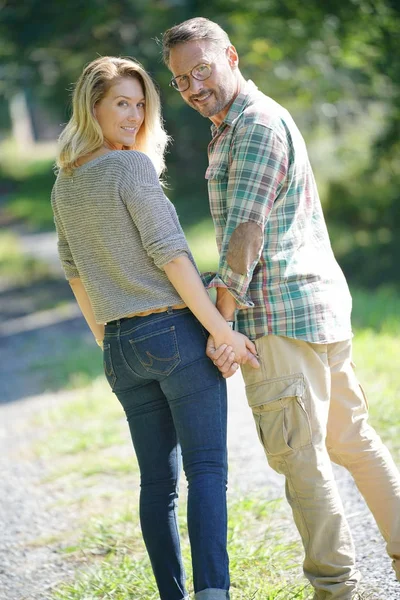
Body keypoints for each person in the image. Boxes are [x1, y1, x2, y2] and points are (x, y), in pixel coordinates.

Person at [161, 18, 400, 599]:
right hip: (316, 307)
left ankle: (334, 588)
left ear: (231, 56)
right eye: (180, 79)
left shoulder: (252, 126)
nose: (193, 86)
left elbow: (246, 234)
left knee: (302, 458)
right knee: (349, 439)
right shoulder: (243, 121)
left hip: (279, 316)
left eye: (202, 68)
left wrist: (220, 325)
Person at [51, 55, 259, 600]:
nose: (133, 115)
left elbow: (75, 275)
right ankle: (213, 593)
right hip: (172, 333)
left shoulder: (64, 183)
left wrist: (108, 340)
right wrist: (220, 330)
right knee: (207, 470)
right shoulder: (130, 168)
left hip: (119, 348)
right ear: (91, 106)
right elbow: (171, 255)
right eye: (121, 102)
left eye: (141, 104)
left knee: (157, 485)